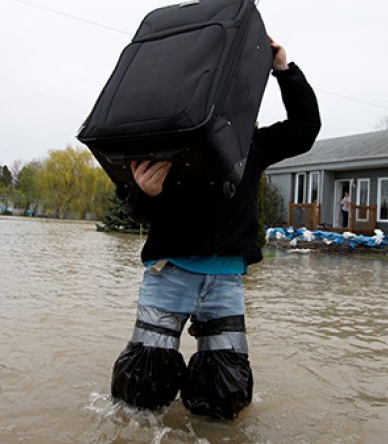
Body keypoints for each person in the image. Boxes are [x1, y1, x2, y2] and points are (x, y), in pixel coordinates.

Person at [109, 38, 321, 420]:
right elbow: (137, 209)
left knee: (224, 396)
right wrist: (145, 193)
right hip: (168, 272)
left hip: (225, 282)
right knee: (141, 392)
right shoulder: (162, 140)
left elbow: (305, 128)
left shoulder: (253, 143)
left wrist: (283, 70)